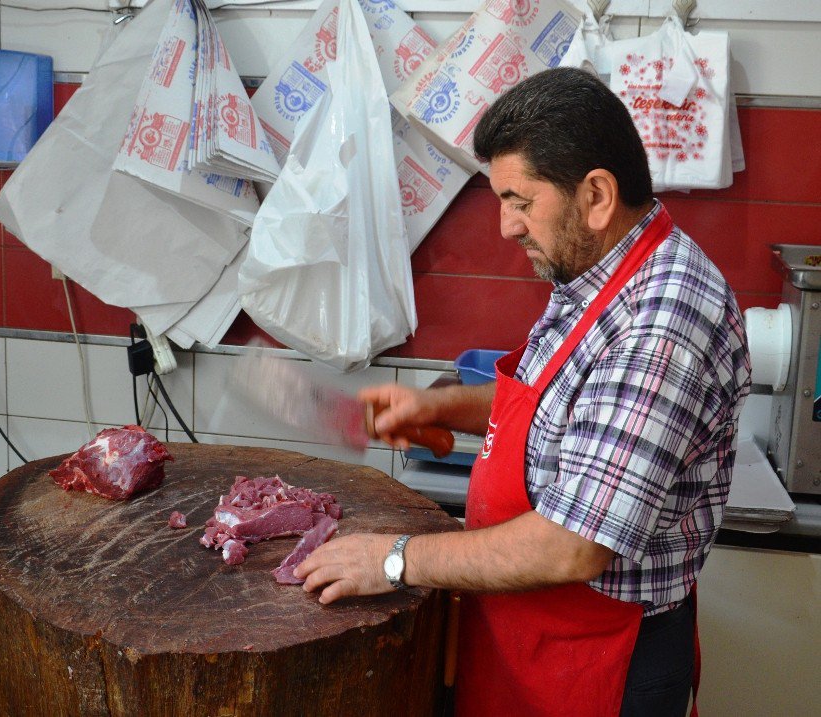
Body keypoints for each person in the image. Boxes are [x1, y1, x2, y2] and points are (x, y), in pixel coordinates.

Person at [294, 66, 751, 716]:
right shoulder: (599, 271)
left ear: (595, 194)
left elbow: (574, 542)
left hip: (598, 661)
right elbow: (565, 405)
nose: (506, 226)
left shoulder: (662, 319)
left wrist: (393, 559)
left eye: (520, 200)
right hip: (527, 636)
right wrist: (442, 405)